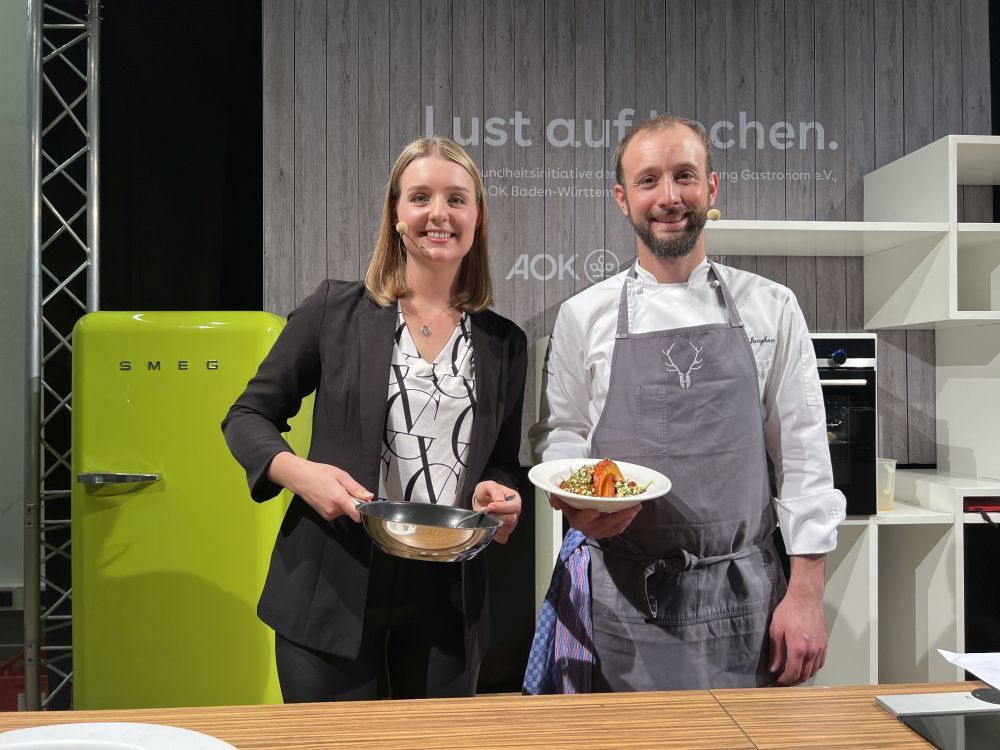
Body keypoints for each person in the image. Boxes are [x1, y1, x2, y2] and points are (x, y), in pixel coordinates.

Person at [527, 114, 846, 692]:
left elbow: (804, 456)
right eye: (648, 181)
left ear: (712, 187)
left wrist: (806, 595)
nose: (669, 197)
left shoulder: (772, 306)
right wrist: (576, 501)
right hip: (625, 596)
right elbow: (564, 435)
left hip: (747, 597)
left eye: (685, 176)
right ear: (623, 199)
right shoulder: (583, 315)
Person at [223, 136, 527, 702]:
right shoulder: (332, 311)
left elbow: (502, 462)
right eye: (420, 197)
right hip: (330, 582)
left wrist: (502, 494)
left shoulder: (504, 343)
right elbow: (247, 416)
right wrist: (299, 473)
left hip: (448, 598)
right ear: (395, 214)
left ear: (477, 218)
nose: (439, 213)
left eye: (456, 199)